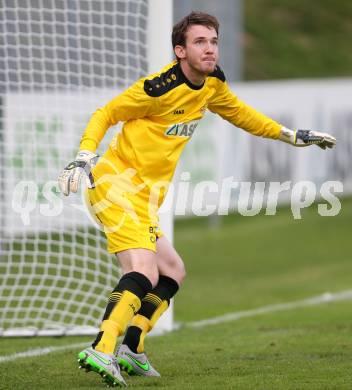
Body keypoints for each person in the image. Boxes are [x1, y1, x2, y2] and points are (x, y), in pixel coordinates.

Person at [58, 11, 336, 388]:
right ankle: (101, 348)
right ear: (180, 51)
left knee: (172, 271)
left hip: (144, 197)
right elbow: (106, 113)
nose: (209, 49)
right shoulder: (158, 88)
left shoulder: (212, 84)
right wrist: (85, 155)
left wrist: (291, 135)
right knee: (142, 270)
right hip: (114, 185)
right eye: (200, 42)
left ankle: (132, 348)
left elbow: (242, 115)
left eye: (214, 41)